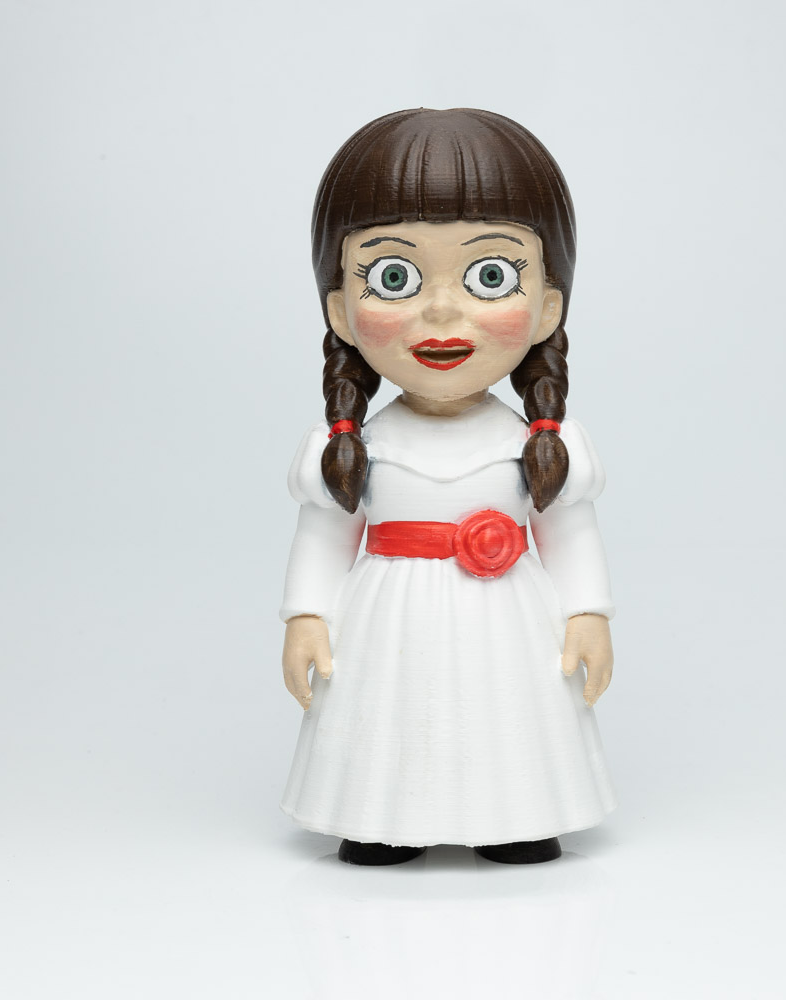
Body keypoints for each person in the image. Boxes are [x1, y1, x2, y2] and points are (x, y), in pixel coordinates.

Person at [280, 109, 617, 865]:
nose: (440, 312)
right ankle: (380, 818)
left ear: (549, 305)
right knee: (391, 711)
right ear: (339, 309)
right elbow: (324, 539)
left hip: (509, 617)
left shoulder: (541, 445)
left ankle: (520, 814)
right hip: (387, 617)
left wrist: (588, 613)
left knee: (508, 708)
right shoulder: (350, 448)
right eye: (392, 278)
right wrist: (305, 617)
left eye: (490, 276)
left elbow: (571, 535)